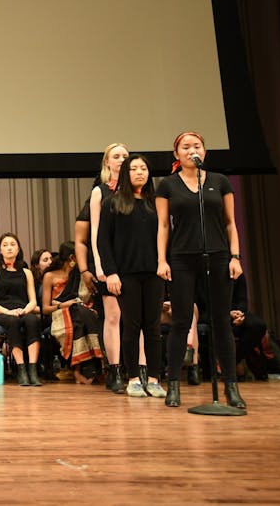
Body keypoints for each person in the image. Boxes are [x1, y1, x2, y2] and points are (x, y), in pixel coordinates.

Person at [157, 131, 246, 409]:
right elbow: (163, 225)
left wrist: (235, 256)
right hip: (182, 257)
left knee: (221, 321)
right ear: (177, 154)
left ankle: (230, 386)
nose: (191, 150)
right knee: (181, 321)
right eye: (185, 147)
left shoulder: (220, 181)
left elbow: (230, 222)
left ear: (204, 151)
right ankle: (173, 384)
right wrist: (162, 260)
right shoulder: (167, 185)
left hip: (218, 255)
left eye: (196, 146)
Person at [97, 154, 167, 398]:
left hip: (154, 273)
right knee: (131, 326)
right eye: (134, 168)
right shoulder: (113, 203)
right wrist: (111, 273)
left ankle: (154, 378)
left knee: (153, 327)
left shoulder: (157, 203)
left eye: (143, 168)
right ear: (126, 174)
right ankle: (134, 378)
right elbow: (103, 241)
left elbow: (166, 236)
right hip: (126, 274)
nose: (139, 172)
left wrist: (165, 264)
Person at [86, 143, 130, 393]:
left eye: (125, 156)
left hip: (133, 260)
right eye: (116, 156)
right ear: (107, 162)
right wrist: (99, 264)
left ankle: (137, 369)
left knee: (135, 318)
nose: (121, 159)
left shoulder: (138, 190)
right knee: (113, 316)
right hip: (108, 259)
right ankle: (114, 370)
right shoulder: (100, 191)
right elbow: (95, 232)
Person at [41, 241, 103, 385]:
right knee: (78, 316)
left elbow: (85, 297)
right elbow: (45, 308)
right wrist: (63, 305)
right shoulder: (50, 276)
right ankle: (80, 370)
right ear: (72, 258)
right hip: (58, 313)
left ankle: (89, 368)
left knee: (82, 315)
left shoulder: (80, 275)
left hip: (80, 310)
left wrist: (75, 304)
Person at [0, 232, 42, 386]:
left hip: (23, 310)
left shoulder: (26, 273)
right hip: (1, 313)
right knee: (13, 322)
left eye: (12, 244)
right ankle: (21, 369)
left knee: (32, 320)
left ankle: (33, 369)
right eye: (5, 245)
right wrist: (8, 311)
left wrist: (25, 310)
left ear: (18, 249)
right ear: (0, 250)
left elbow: (33, 301)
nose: (9, 248)